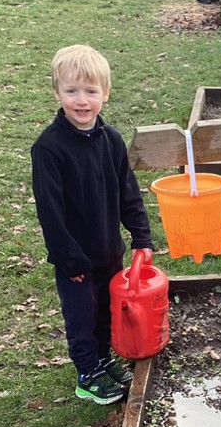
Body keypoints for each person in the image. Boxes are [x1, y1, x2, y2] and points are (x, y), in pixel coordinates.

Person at [31, 45, 155, 405]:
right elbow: (50, 212)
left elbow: (127, 192)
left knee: (106, 311)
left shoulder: (111, 140)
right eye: (71, 91)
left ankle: (102, 360)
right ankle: (87, 373)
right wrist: (69, 259)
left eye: (90, 91)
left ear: (106, 93)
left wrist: (141, 236)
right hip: (77, 262)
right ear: (57, 93)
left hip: (109, 251)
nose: (81, 100)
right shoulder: (49, 148)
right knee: (82, 317)